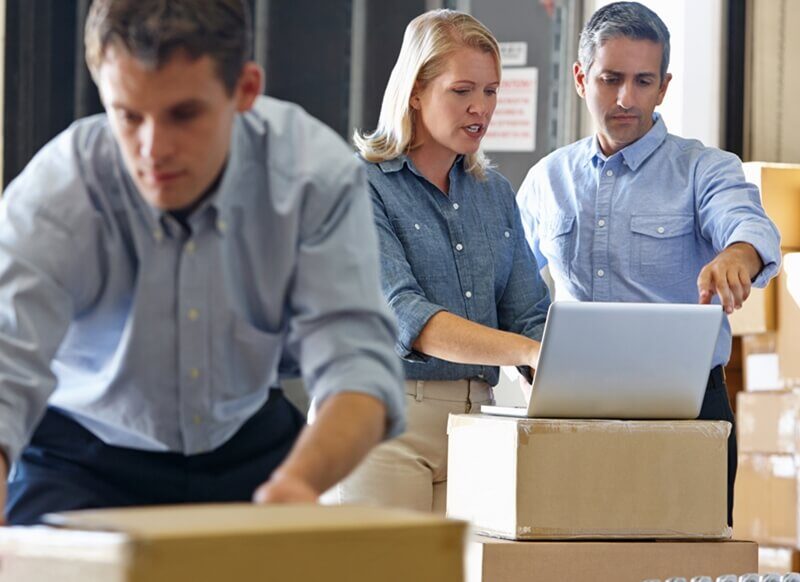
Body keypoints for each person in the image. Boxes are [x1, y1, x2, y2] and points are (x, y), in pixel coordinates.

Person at [0, 0, 405, 525]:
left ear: (245, 90)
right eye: (128, 115)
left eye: (183, 114)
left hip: (250, 451)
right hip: (81, 456)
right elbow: (7, 365)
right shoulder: (57, 193)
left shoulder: (312, 177)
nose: (153, 149)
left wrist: (299, 484)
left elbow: (358, 368)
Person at [517, 1, 781, 526]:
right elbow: (512, 287)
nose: (625, 99)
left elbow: (750, 225)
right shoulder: (546, 181)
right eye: (610, 79)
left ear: (664, 87)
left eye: (643, 81)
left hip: (687, 408)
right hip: (574, 408)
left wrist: (737, 254)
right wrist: (526, 353)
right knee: (574, 561)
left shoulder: (704, 168)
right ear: (579, 77)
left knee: (684, 563)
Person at [322, 9, 550, 513]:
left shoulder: (495, 195)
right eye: (462, 90)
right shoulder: (358, 185)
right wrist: (528, 352)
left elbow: (529, 315)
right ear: (416, 92)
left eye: (491, 92)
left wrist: (569, 359)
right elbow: (405, 315)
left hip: (477, 427)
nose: (480, 108)